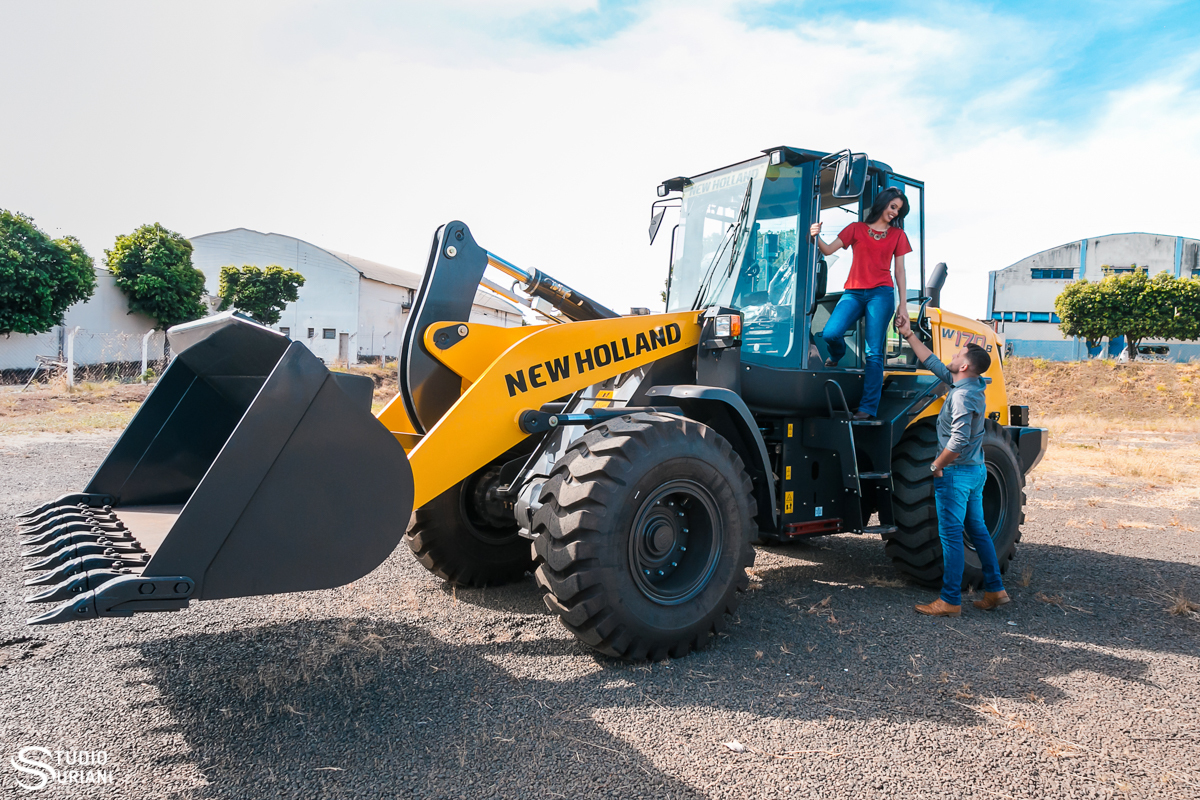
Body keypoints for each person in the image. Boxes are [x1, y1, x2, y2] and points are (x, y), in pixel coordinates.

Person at [895, 312, 1010, 617]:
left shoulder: (960, 398)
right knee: (979, 530)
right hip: (975, 472)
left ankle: (949, 600)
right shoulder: (969, 388)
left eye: (957, 353)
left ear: (963, 366)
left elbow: (957, 441)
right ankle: (995, 589)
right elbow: (932, 361)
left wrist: (935, 466)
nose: (953, 354)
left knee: (950, 536)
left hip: (956, 474)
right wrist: (908, 334)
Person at [809, 188, 911, 420]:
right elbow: (826, 250)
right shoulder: (856, 229)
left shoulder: (897, 235)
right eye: (893, 206)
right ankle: (836, 355)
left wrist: (902, 305)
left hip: (882, 294)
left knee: (873, 353)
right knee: (831, 333)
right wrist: (816, 235)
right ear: (883, 203)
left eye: (899, 210)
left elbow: (900, 271)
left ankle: (867, 408)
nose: (895, 212)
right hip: (853, 292)